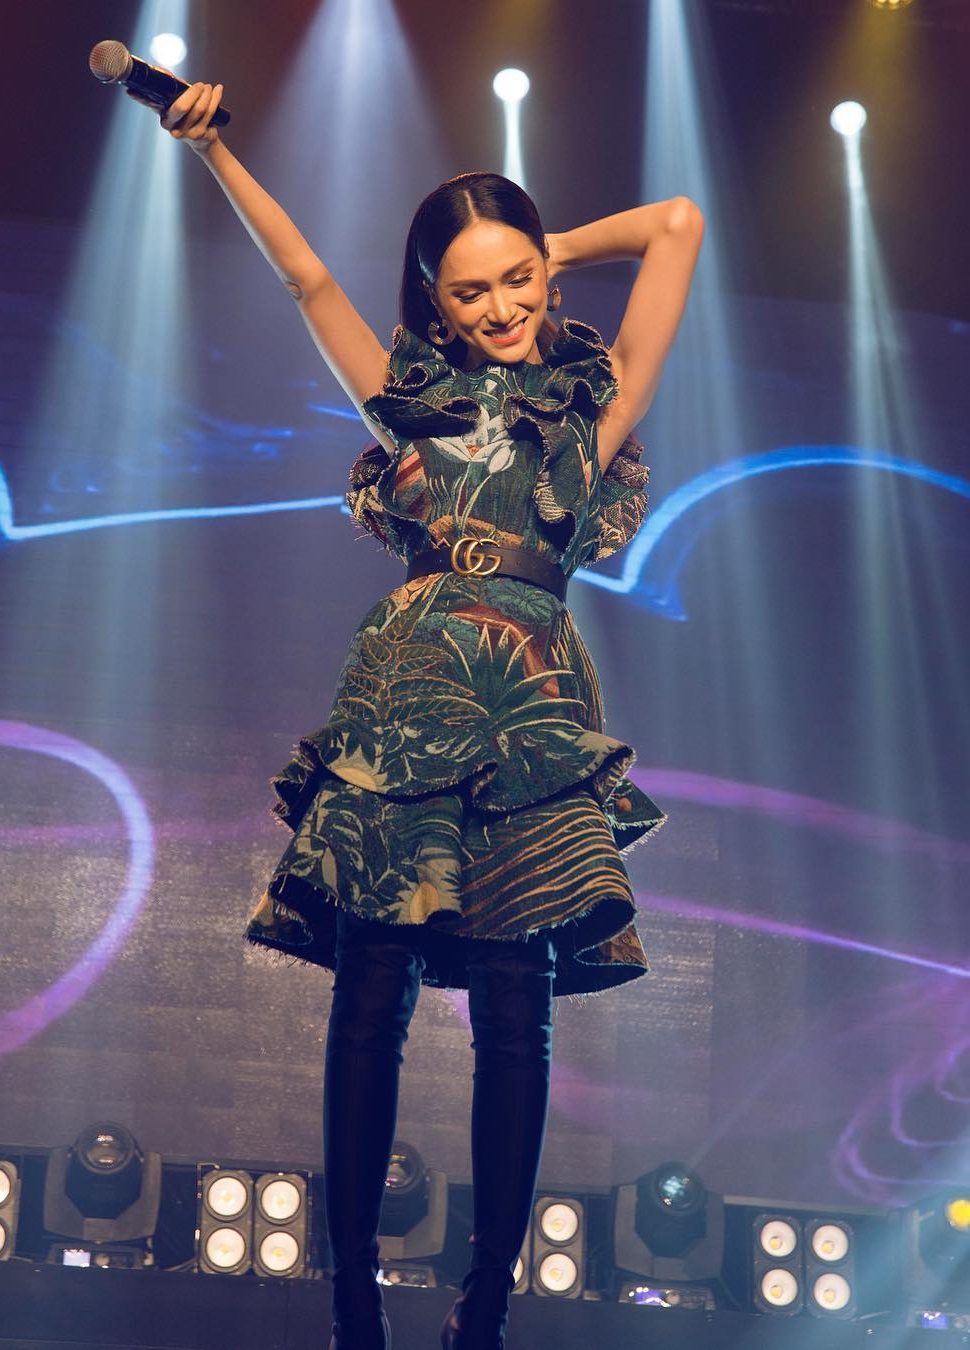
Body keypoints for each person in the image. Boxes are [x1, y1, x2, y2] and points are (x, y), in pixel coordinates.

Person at [149, 76, 702, 1350]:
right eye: (469, 291)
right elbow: (305, 282)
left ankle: (482, 1312)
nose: (502, 307)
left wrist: (537, 243)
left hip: (533, 708)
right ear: (432, 305)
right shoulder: (403, 397)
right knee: (371, 996)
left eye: (519, 281)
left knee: (517, 1009)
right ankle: (353, 1308)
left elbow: (676, 222)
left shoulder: (594, 403)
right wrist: (216, 150)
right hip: (405, 697)